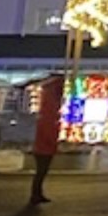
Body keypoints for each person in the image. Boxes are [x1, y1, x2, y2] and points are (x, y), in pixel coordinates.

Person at [28, 71, 65, 206]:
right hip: (44, 148)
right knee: (41, 172)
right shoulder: (50, 112)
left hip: (42, 147)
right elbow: (49, 132)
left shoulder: (47, 109)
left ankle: (37, 194)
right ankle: (35, 195)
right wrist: (53, 144)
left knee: (41, 173)